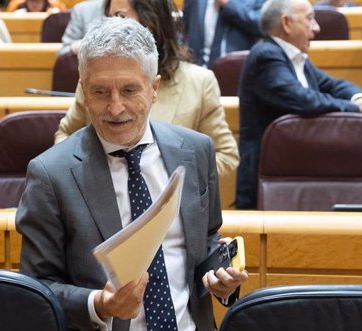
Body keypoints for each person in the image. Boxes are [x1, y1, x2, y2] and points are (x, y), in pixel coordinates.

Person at [16, 17, 247, 331]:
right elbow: (37, 289)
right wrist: (98, 305)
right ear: (82, 89)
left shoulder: (195, 151)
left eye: (129, 90)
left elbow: (206, 240)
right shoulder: (51, 173)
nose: (114, 107)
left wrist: (219, 274)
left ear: (154, 87)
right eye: (99, 91)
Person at [55, 0, 240, 207]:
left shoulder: (199, 82)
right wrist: (99, 177)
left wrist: (161, 174)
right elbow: (64, 138)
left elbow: (227, 158)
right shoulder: (97, 82)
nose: (111, 25)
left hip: (175, 211)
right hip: (101, 210)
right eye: (108, 16)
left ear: (151, 21)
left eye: (120, 16)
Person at [235, 0, 362, 210]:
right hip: (267, 186)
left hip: (292, 174)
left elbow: (333, 84)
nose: (316, 28)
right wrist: (355, 109)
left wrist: (358, 98)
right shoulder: (266, 56)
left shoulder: (295, 57)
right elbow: (303, 100)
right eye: (309, 19)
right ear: (286, 23)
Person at [182, 0, 265, 68]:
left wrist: (228, 4)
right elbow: (183, 27)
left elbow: (262, 26)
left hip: (234, 72)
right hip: (196, 69)